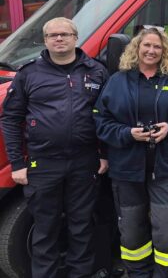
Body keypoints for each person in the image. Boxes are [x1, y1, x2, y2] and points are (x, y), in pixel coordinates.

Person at [1, 17, 109, 278]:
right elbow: (11, 119)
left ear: (75, 37)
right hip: (43, 163)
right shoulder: (29, 74)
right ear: (46, 40)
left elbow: (107, 116)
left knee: (81, 226)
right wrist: (17, 164)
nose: (59, 39)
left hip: (84, 162)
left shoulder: (96, 71)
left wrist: (104, 155)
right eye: (53, 35)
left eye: (64, 34)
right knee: (45, 228)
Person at [95, 27, 168, 277]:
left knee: (166, 228)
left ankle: (164, 273)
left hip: (164, 167)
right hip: (126, 168)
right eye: (147, 45)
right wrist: (127, 133)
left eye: (157, 46)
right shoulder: (117, 81)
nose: (151, 50)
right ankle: (138, 272)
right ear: (136, 48)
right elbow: (101, 120)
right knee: (131, 228)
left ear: (164, 51)